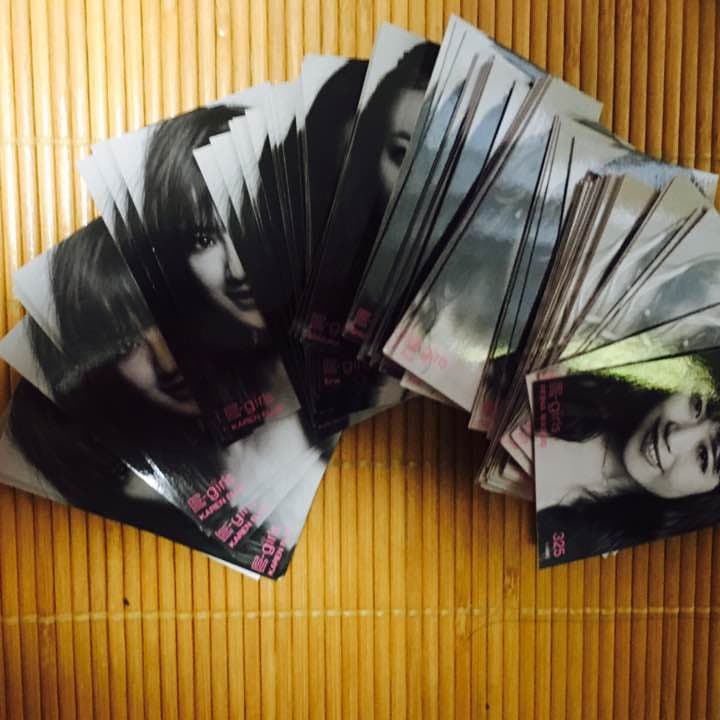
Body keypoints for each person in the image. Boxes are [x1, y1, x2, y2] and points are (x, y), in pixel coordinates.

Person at [533, 366, 720, 564]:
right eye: (697, 405)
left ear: (708, 498)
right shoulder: (574, 378)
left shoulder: (613, 557)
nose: (674, 438)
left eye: (703, 457)